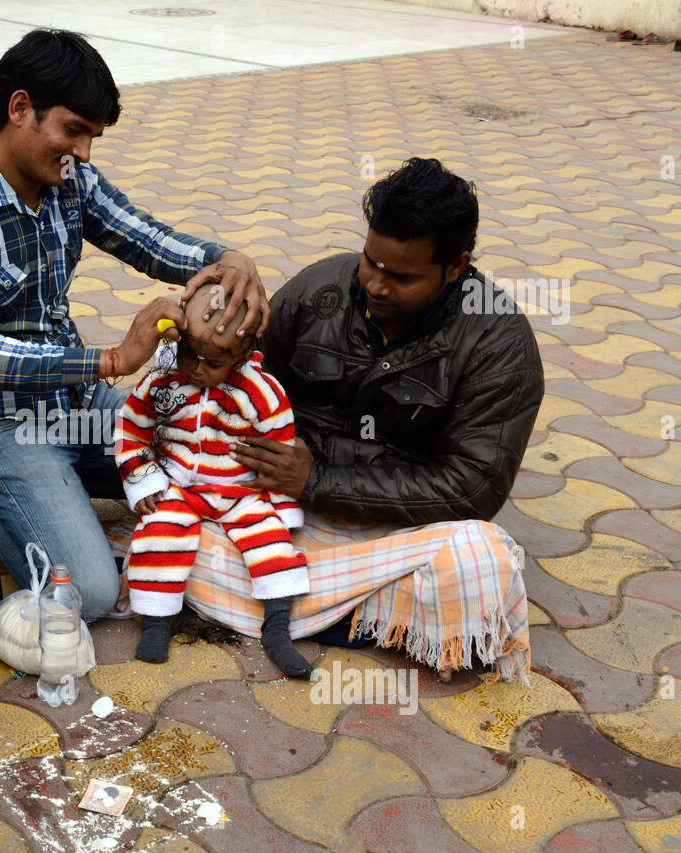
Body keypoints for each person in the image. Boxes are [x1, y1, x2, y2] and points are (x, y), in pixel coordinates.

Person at [0, 29, 270, 621]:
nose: (84, 153)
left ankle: (46, 486)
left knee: (213, 459)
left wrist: (229, 259)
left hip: (78, 405)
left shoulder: (69, 181)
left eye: (92, 137)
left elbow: (148, 240)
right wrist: (115, 360)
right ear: (19, 108)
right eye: (74, 131)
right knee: (93, 595)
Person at [189, 158, 544, 682]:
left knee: (478, 562)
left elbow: (472, 487)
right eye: (371, 262)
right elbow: (244, 375)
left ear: (455, 266)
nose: (376, 285)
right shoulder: (320, 289)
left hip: (396, 523)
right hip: (278, 501)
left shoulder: (500, 344)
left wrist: (317, 480)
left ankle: (284, 605)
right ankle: (351, 614)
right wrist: (189, 350)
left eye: (401, 276)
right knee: (166, 498)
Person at [117, 286, 311, 675]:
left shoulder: (262, 393)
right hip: (177, 488)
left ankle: (276, 628)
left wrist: (280, 506)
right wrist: (144, 482)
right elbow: (131, 429)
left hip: (240, 490)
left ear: (241, 356)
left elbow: (280, 446)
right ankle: (156, 623)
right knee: (157, 532)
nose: (197, 368)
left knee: (272, 542)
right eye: (189, 353)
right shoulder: (161, 381)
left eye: (212, 362)